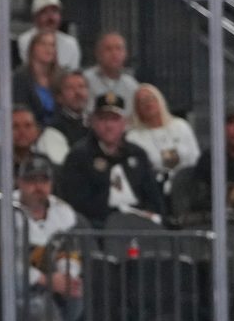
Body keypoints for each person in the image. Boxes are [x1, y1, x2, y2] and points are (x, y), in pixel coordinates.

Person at [56, 93, 164, 226]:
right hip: (100, 226)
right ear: (93, 122)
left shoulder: (137, 154)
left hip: (140, 224)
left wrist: (149, 214)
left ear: (124, 123)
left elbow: (153, 197)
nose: (109, 126)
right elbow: (78, 204)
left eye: (114, 119)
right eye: (103, 119)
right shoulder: (79, 157)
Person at [13, 154, 87, 321]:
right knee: (37, 300)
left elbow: (70, 251)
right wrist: (45, 280)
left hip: (51, 277)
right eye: (32, 181)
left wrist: (68, 277)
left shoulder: (62, 211)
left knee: (74, 295)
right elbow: (4, 263)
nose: (38, 187)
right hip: (13, 280)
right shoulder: (5, 209)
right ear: (20, 182)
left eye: (44, 181)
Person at [126, 83, 200, 192]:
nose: (148, 103)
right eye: (142, 101)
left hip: (187, 188)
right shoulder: (133, 137)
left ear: (160, 100)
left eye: (151, 98)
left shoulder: (180, 126)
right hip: (155, 189)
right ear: (137, 109)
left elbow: (195, 159)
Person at [17, 0, 81, 73]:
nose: (50, 17)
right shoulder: (24, 40)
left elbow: (73, 75)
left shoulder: (71, 43)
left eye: (54, 11)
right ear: (35, 17)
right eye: (44, 12)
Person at [13, 28, 61, 125]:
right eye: (43, 44)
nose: (48, 49)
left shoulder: (61, 76)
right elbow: (20, 109)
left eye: (52, 45)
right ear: (33, 48)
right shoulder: (21, 76)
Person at [83, 32, 139, 115]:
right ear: (98, 54)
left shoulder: (132, 85)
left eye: (119, 48)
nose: (114, 54)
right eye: (108, 49)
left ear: (125, 54)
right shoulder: (85, 80)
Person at [47, 69, 92, 147]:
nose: (78, 92)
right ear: (59, 97)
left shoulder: (95, 123)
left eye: (81, 86)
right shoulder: (55, 128)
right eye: (70, 88)